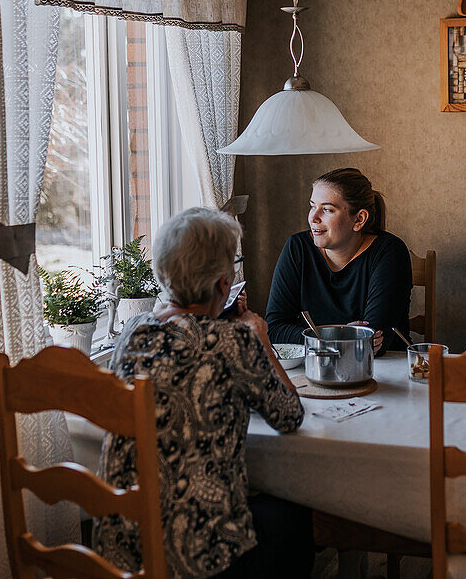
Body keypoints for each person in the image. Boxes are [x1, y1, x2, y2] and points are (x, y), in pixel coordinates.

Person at [94, 208, 313, 579]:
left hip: (125, 547)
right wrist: (260, 340)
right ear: (225, 283)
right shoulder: (234, 341)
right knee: (294, 513)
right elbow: (290, 415)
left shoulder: (135, 331)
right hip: (196, 558)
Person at [266, 168, 412, 356]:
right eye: (312, 206)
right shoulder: (298, 247)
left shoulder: (389, 252)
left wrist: (315, 338)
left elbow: (373, 344)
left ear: (359, 219)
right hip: (317, 367)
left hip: (386, 371)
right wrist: (338, 338)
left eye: (327, 209)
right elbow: (274, 330)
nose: (313, 217)